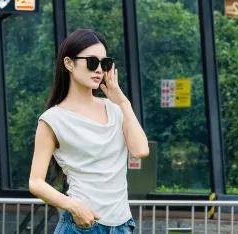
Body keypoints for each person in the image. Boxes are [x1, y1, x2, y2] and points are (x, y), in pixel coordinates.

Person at [29, 29, 149, 233]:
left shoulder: (116, 109)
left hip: (121, 225)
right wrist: (73, 206)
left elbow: (140, 150)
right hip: (82, 225)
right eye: (92, 62)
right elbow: (35, 182)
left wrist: (123, 102)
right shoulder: (53, 119)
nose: (99, 70)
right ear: (69, 63)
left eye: (105, 63)